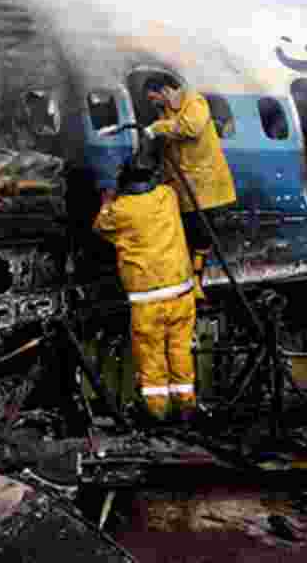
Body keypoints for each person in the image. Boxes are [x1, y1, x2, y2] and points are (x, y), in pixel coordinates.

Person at [93, 151, 198, 424]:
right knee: (180, 350)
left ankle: (156, 412)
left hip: (148, 299)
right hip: (182, 292)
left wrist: (107, 200)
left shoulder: (120, 210)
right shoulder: (168, 197)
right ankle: (186, 406)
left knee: (151, 357)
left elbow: (100, 227)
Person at [143, 78, 236, 302]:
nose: (152, 103)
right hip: (185, 186)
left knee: (201, 236)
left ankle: (196, 280)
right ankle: (188, 281)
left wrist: (157, 128)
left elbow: (190, 128)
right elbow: (170, 152)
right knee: (187, 235)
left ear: (164, 90)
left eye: (152, 97)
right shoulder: (165, 112)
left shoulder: (194, 102)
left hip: (206, 186)